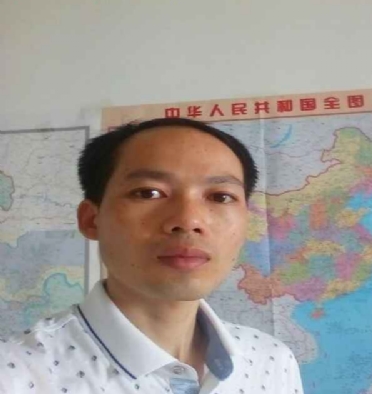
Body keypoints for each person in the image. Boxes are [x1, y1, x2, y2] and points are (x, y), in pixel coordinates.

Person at [0, 117, 304, 394]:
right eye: (148, 193)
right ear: (91, 220)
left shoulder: (271, 361)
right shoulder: (16, 375)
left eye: (220, 197)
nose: (188, 220)